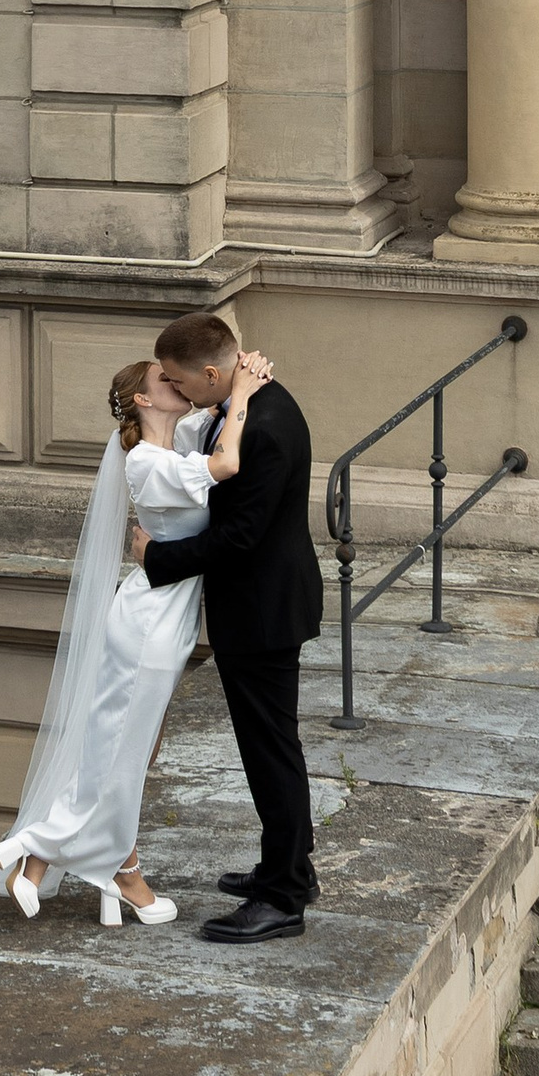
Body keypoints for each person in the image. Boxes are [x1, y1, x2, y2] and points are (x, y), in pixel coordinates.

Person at [0, 344, 271, 930]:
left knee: (134, 749)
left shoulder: (175, 442)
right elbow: (227, 464)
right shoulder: (144, 463)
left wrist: (245, 374)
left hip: (166, 617)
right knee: (116, 748)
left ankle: (114, 869)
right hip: (148, 622)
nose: (180, 383)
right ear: (143, 397)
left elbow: (211, 422)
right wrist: (241, 397)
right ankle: (38, 846)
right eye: (166, 379)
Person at [138, 314, 326, 944]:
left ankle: (284, 898)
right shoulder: (249, 400)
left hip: (263, 611)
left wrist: (154, 558)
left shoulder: (264, 425)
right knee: (271, 748)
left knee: (271, 753)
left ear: (212, 373)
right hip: (261, 604)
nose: (175, 389)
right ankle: (287, 867)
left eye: (179, 380)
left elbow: (239, 536)